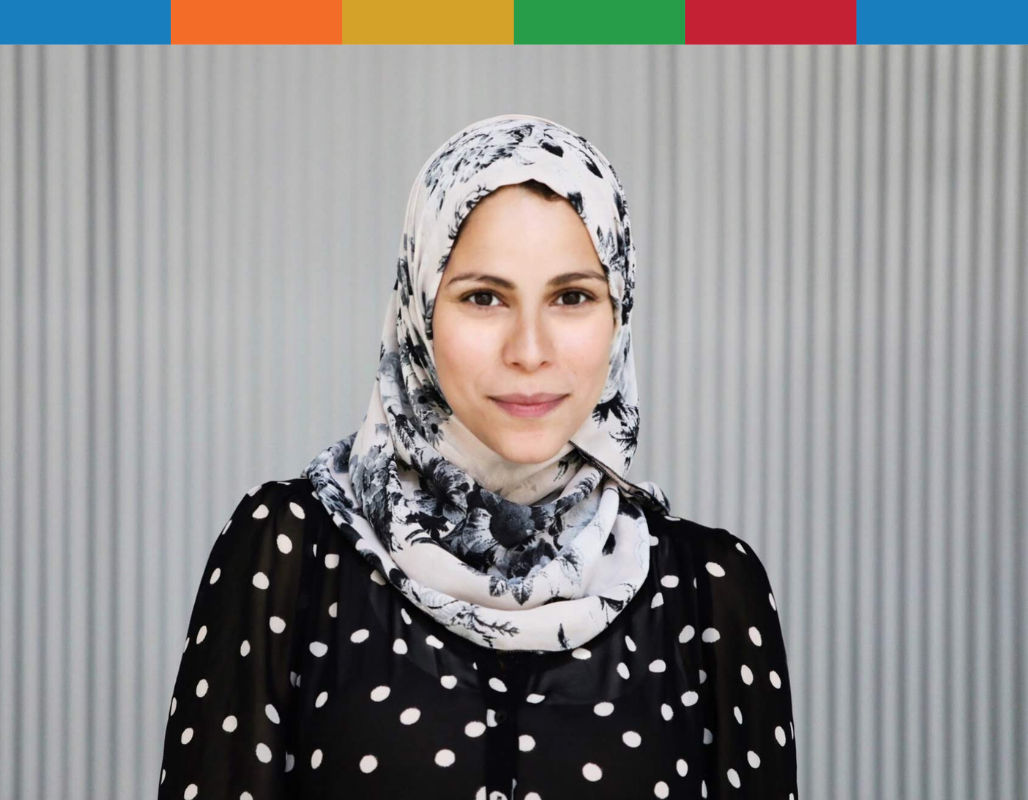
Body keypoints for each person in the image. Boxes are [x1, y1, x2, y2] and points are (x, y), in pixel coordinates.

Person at [157, 114, 798, 800]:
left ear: (620, 316)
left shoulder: (710, 591)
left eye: (572, 296)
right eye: (484, 298)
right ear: (420, 311)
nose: (529, 349)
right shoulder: (291, 556)